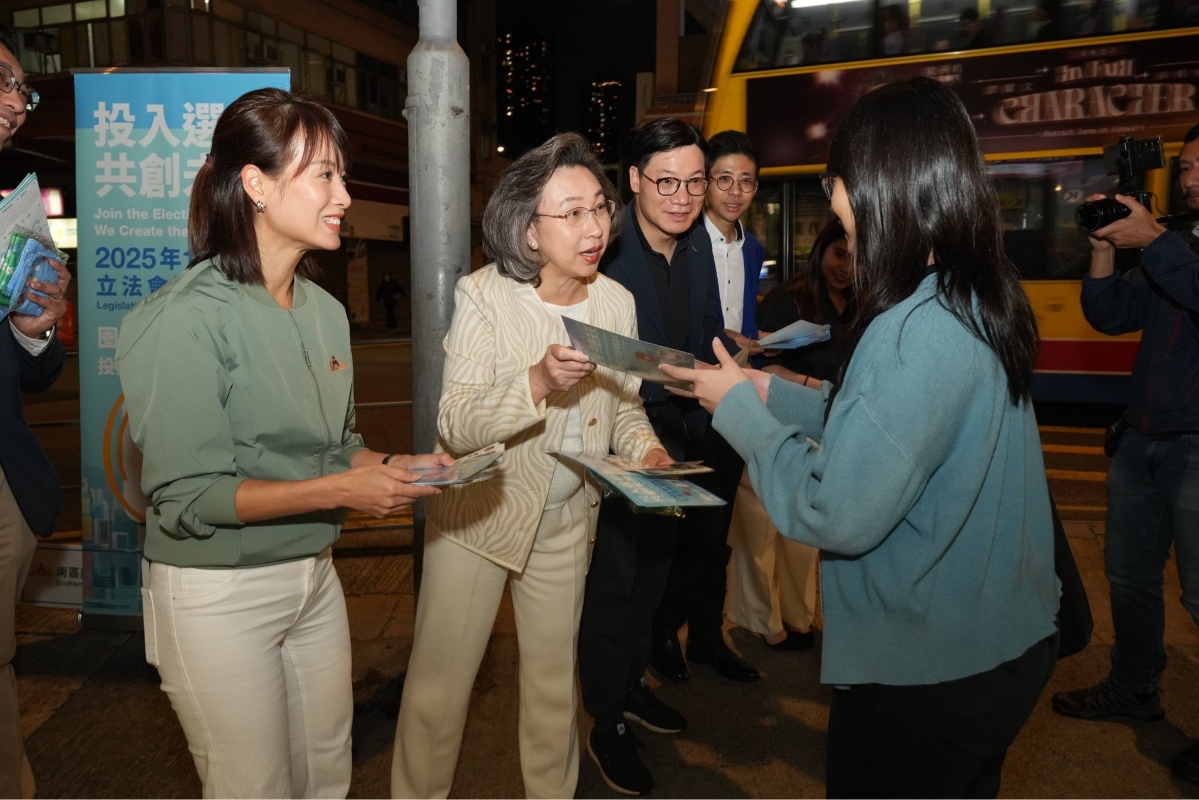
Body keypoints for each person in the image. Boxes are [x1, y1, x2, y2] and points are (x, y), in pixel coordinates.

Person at [660, 76, 1060, 798]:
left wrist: (741, 416)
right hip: (1000, 640)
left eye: (837, 178)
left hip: (928, 664)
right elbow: (898, 427)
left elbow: (833, 512)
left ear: (881, 181)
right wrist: (769, 393)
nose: (833, 199)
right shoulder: (974, 290)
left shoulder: (907, 329)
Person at [116, 88, 450, 799]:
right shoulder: (182, 318)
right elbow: (189, 496)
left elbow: (339, 446)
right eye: (324, 175)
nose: (344, 196)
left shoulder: (325, 311)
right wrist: (344, 491)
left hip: (312, 580)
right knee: (254, 786)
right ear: (256, 184)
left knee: (326, 774)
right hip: (217, 596)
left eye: (341, 176)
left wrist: (393, 468)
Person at [390, 132, 670, 800]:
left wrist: (646, 451)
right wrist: (537, 382)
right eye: (570, 213)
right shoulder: (484, 294)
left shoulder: (614, 303)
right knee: (438, 692)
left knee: (552, 692)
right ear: (527, 229)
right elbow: (455, 422)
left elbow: (625, 408)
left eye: (598, 207)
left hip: (567, 520)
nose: (594, 226)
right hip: (479, 517)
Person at [577, 118, 731, 797]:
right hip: (622, 436)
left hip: (684, 438)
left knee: (657, 579)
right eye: (665, 181)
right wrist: (685, 374)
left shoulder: (697, 241)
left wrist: (730, 375)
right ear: (633, 180)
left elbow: (704, 333)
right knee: (616, 586)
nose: (683, 196)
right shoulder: (602, 247)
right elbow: (588, 345)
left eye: (695, 181)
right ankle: (603, 718)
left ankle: (631, 683)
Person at [1052, 123, 1199, 784]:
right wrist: (1104, 247)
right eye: (1187, 167)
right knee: (1129, 576)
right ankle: (1134, 687)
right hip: (1140, 438)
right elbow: (1111, 316)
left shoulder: (1179, 248)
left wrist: (1159, 242)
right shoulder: (1183, 243)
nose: (1189, 179)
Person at [648, 129, 766, 687]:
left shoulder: (754, 248)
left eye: (746, 181)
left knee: (717, 529)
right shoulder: (684, 239)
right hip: (685, 402)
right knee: (679, 527)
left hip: (734, 396)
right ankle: (664, 633)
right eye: (722, 180)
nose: (733, 191)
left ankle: (708, 636)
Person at [725, 219, 854, 653]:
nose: (846, 267)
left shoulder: (860, 303)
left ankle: (799, 616)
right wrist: (813, 386)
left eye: (854, 257)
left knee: (804, 534)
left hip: (829, 425)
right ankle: (761, 617)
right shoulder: (788, 298)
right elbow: (759, 365)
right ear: (821, 252)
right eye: (839, 255)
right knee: (760, 527)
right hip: (778, 415)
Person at [0, 24, 68, 800]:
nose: (19, 102)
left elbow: (35, 372)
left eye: (26, 89)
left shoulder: (12, 220)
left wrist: (33, 329)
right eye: (6, 81)